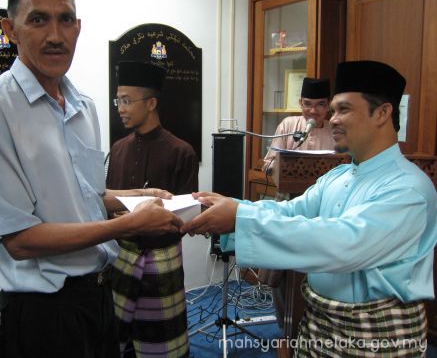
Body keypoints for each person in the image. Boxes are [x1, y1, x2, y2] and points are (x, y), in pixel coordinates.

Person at [0, 0, 182, 358]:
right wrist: (130, 224)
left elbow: (87, 197)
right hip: (45, 312)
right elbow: (20, 241)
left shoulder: (84, 106)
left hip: (99, 295)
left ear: (78, 27)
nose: (55, 36)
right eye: (38, 19)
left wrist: (139, 196)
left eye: (65, 20)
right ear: (10, 30)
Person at [182, 60, 437, 356]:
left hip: (377, 335)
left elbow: (341, 242)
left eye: (343, 109)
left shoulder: (409, 189)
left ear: (382, 113)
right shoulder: (337, 176)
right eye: (334, 110)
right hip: (319, 322)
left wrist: (238, 217)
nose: (333, 119)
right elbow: (292, 212)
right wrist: (233, 208)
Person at [106, 60, 199, 358]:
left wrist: (148, 222)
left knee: (163, 344)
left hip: (161, 261)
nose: (120, 108)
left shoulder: (181, 152)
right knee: (118, 340)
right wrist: (125, 220)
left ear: (151, 103)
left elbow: (185, 217)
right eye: (118, 100)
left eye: (127, 100)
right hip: (121, 257)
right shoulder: (118, 149)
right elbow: (108, 204)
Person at [262, 77, 334, 180]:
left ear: (328, 105)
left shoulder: (334, 130)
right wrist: (274, 166)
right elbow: (270, 161)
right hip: (288, 187)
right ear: (301, 103)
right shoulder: (288, 124)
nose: (313, 111)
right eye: (307, 104)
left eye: (320, 104)